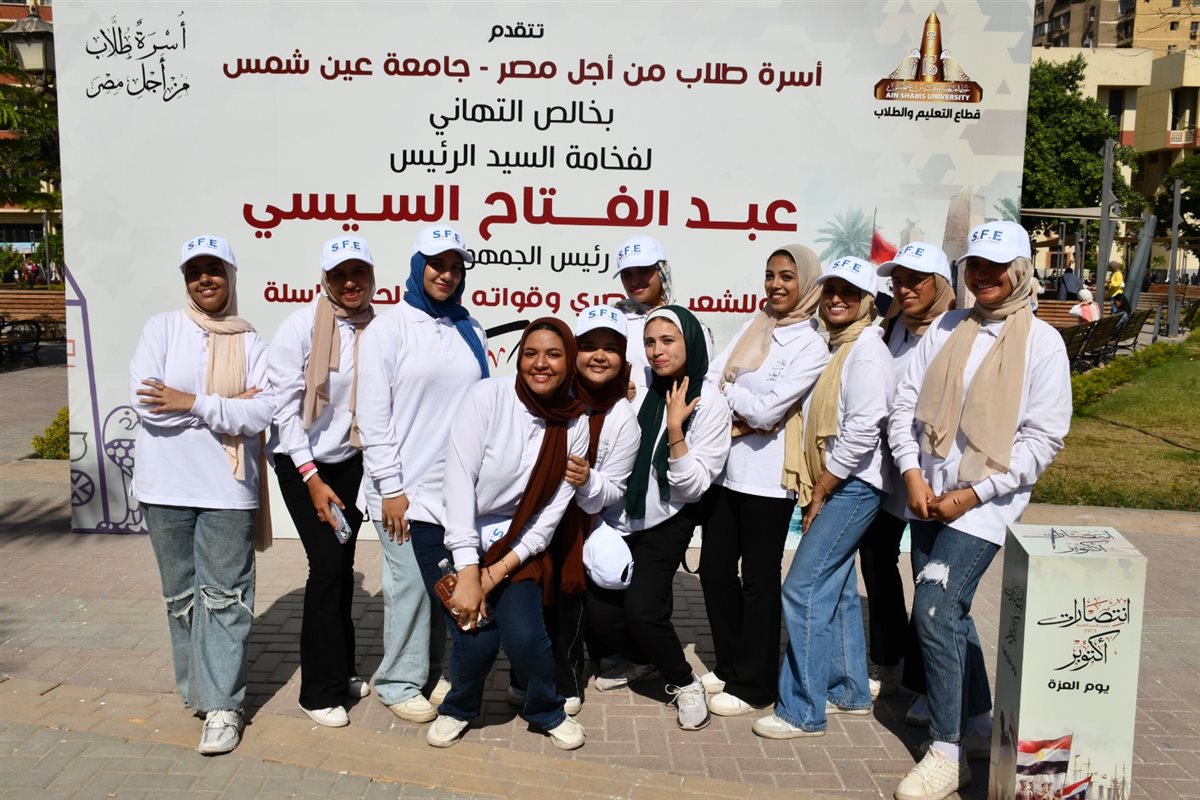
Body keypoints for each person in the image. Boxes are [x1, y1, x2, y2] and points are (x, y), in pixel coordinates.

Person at [889, 221, 1070, 800]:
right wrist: (911, 473)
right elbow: (904, 406)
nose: (984, 276)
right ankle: (976, 718)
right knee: (952, 612)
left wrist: (970, 495)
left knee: (935, 609)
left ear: (1020, 271)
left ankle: (946, 753)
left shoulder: (1042, 342)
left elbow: (1042, 439)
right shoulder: (947, 328)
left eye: (996, 266)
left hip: (986, 504)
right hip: (927, 494)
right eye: (975, 266)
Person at [129, 235, 274, 755]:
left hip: (227, 490)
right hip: (164, 487)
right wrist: (227, 405)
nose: (204, 279)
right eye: (195, 272)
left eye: (214, 269)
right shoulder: (161, 329)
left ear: (230, 276)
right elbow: (147, 405)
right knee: (181, 597)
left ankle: (223, 705)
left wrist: (189, 401)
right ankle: (199, 689)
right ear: (186, 280)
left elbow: (263, 412)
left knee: (226, 597)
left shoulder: (250, 342)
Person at [430, 317, 589, 749]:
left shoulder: (574, 422)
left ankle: (546, 709)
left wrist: (494, 573)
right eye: (531, 353)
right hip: (451, 526)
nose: (541, 363)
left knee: (525, 637)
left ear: (569, 362)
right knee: (477, 638)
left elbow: (548, 517)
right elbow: (458, 484)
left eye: (553, 354)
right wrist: (469, 570)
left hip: (516, 542)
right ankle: (459, 707)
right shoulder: (487, 397)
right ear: (519, 359)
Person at [752, 256, 892, 741]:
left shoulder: (865, 352)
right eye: (830, 289)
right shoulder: (839, 345)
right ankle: (849, 688)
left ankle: (802, 710)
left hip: (852, 484)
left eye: (849, 292)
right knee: (837, 587)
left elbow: (862, 432)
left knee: (803, 588)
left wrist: (822, 490)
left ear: (867, 301)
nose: (836, 299)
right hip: (840, 481)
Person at [356, 225, 488, 724]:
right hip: (403, 490)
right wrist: (391, 487)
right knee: (409, 586)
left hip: (452, 489)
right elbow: (374, 416)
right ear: (417, 266)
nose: (446, 275)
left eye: (455, 267)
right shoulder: (389, 329)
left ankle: (430, 672)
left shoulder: (468, 328)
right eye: (437, 264)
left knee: (443, 584)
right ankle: (398, 681)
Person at [698, 245, 828, 715]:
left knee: (758, 580)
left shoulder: (811, 346)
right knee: (713, 569)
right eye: (770, 275)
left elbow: (769, 412)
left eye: (787, 276)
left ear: (806, 283)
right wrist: (739, 398)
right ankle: (730, 664)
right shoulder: (755, 326)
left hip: (769, 481)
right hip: (726, 471)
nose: (775, 285)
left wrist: (732, 392)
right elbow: (710, 382)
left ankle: (755, 686)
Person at [590, 306, 732, 731]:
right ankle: (641, 660)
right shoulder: (641, 389)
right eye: (650, 342)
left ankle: (684, 684)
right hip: (619, 516)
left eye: (668, 341)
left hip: (667, 520)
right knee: (600, 613)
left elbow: (694, 487)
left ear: (691, 343)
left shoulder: (709, 403)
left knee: (643, 611)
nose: (656, 351)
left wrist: (674, 429)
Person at [266, 235, 376, 728]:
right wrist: (310, 476)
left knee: (343, 563)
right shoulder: (300, 326)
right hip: (301, 462)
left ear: (371, 277)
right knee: (328, 567)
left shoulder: (379, 328)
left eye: (359, 272)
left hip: (350, 461)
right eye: (340, 275)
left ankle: (342, 666)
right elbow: (285, 408)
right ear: (325, 280)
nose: (350, 283)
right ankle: (317, 692)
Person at [862, 242, 955, 707]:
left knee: (927, 575)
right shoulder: (891, 326)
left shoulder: (955, 332)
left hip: (931, 474)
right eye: (898, 281)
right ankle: (887, 656)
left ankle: (922, 681)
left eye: (916, 280)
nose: (904, 289)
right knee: (877, 561)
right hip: (887, 471)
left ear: (940, 284)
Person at [537, 306, 640, 716]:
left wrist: (586, 479)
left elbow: (611, 492)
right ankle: (523, 677)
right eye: (589, 346)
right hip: (534, 515)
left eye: (610, 348)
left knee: (568, 605)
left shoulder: (623, 418)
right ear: (573, 351)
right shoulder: (552, 393)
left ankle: (567, 681)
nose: (599, 356)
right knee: (529, 599)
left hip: (581, 524)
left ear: (622, 357)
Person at [611, 236, 713, 405]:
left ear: (661, 271)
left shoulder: (688, 324)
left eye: (643, 270)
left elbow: (702, 380)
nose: (635, 281)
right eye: (627, 274)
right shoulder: (613, 321)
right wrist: (610, 393)